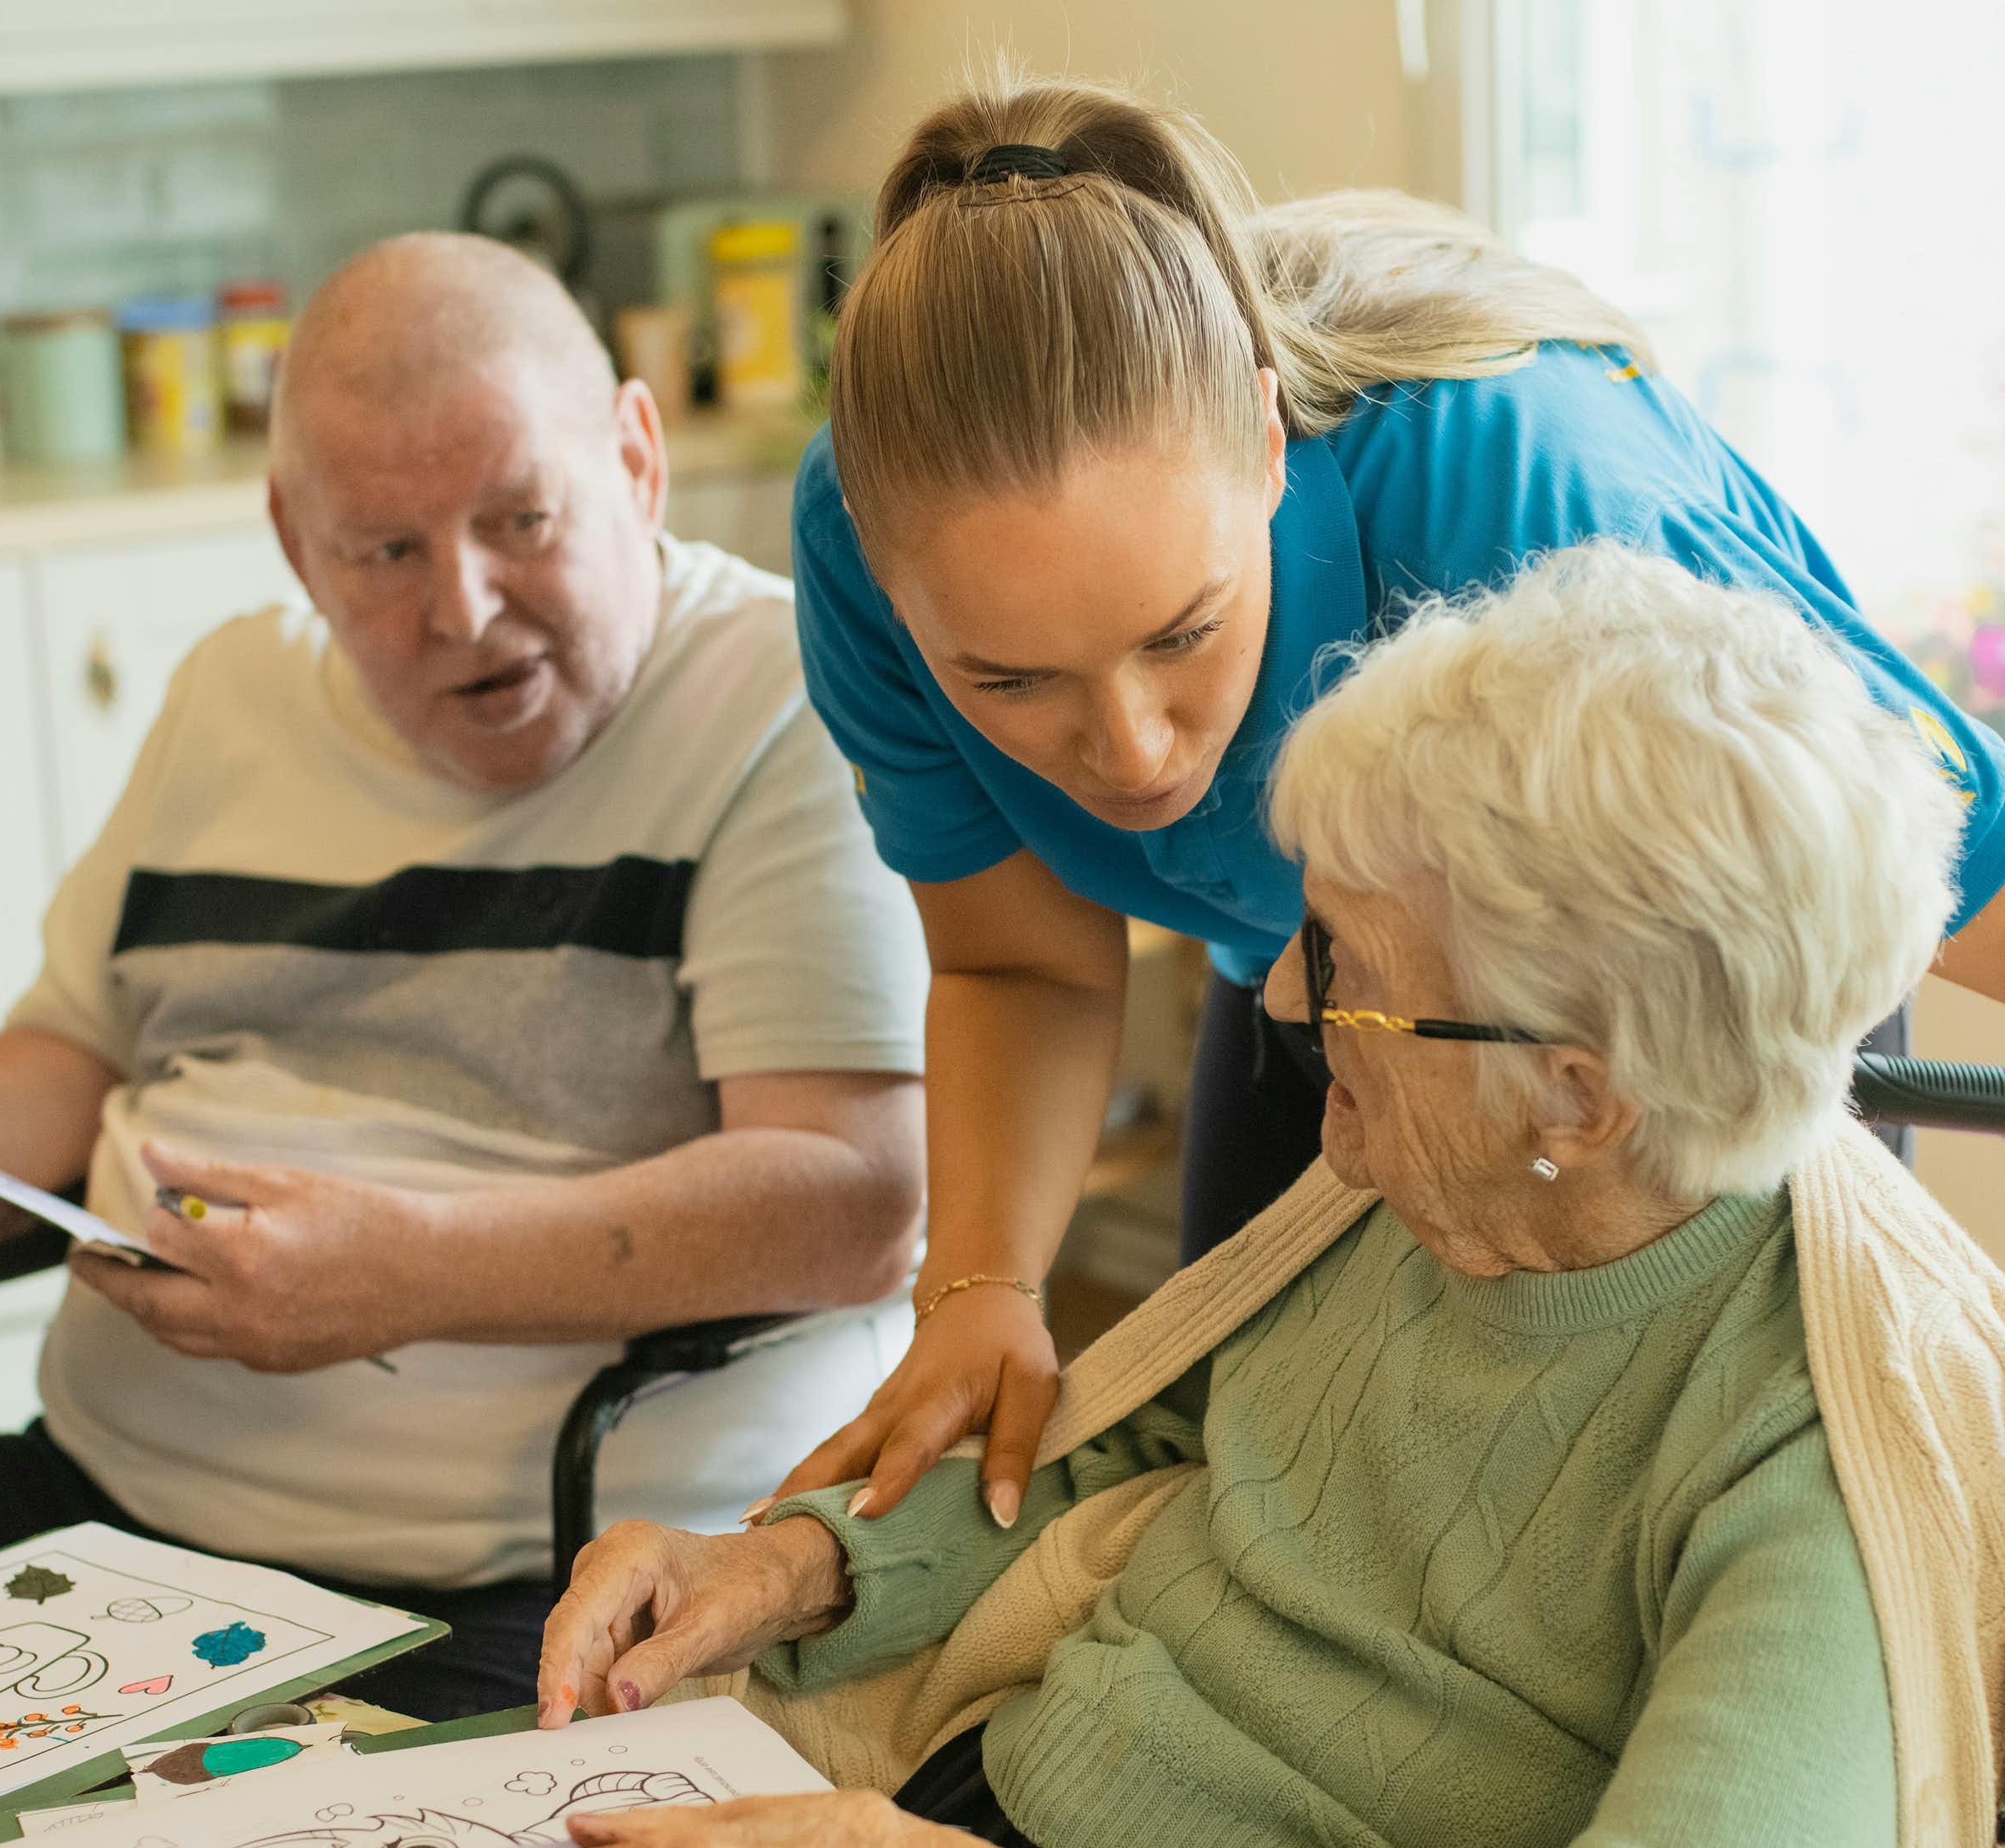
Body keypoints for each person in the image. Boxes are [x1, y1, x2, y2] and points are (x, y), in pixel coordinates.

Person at [474, 549, 2005, 1848]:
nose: (1281, 996)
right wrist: (793, 1570)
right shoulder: (1433, 1193)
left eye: (1347, 968)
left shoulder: (1822, 1448)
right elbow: (1150, 1442)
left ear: (1580, 1093)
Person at [769, 69, 2005, 1529]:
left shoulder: (1545, 512)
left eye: (1184, 634)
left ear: (1269, 428)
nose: (1137, 757)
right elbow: (1018, 962)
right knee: (1258, 1489)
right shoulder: (859, 545)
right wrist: (979, 1290)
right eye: (1011, 681)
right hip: (1319, 968)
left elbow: (1957, 882)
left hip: (1687, 1002)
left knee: (1689, 1535)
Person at [0, 234, 929, 1721]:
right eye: (388, 551)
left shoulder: (779, 694)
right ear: (298, 543)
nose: (467, 608)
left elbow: (859, 1200)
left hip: (535, 1578)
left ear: (637, 459)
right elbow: (73, 1046)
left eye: (523, 519)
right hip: (93, 1507)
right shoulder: (232, 688)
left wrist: (403, 1277)